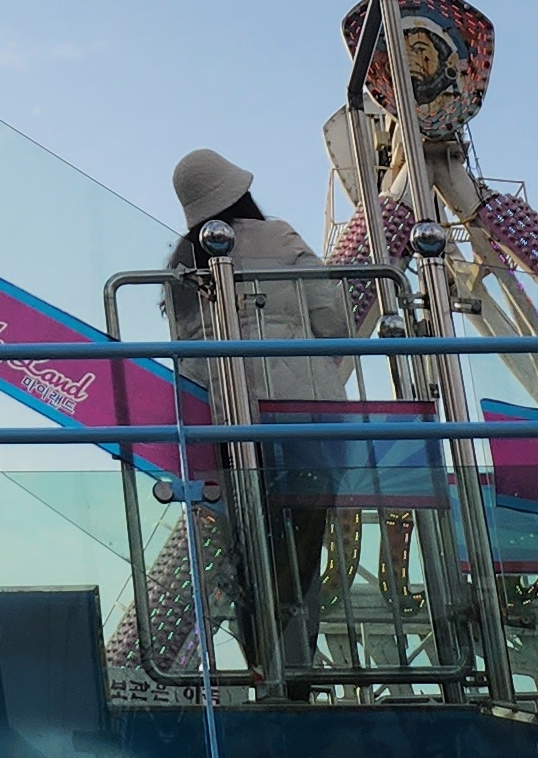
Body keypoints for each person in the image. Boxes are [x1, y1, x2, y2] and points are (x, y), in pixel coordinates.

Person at [163, 148, 355, 693]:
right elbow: (333, 321)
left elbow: (184, 352)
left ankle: (261, 661)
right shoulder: (280, 238)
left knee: (246, 542)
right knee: (301, 544)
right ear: (239, 190)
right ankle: (293, 665)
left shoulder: (179, 265)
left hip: (223, 422)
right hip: (302, 416)